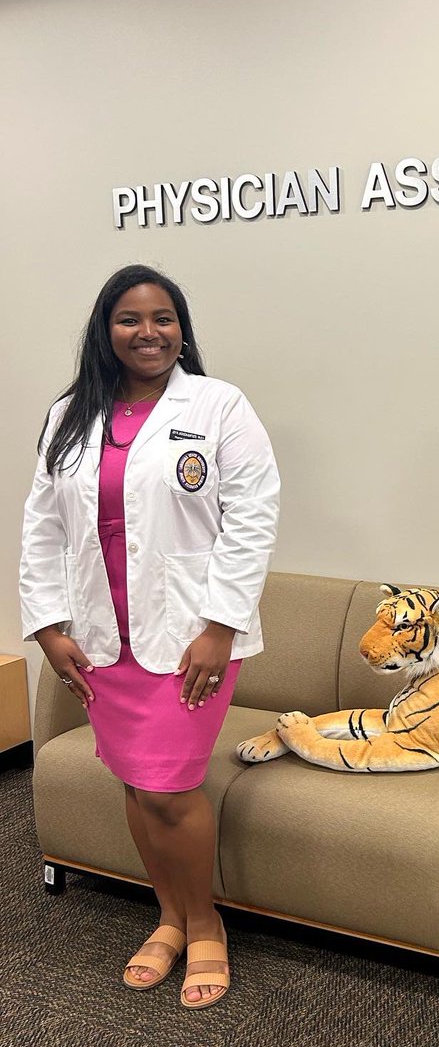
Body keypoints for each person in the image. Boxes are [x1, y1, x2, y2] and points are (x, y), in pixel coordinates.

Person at [20, 264, 279, 1009]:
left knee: (173, 789)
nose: (149, 332)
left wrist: (221, 626)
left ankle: (205, 926)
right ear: (105, 331)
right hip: (105, 638)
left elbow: (253, 517)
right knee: (138, 785)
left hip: (191, 636)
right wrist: (44, 624)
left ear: (182, 329)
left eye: (163, 318)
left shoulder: (219, 405)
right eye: (130, 319)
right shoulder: (71, 413)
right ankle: (167, 918)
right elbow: (42, 525)